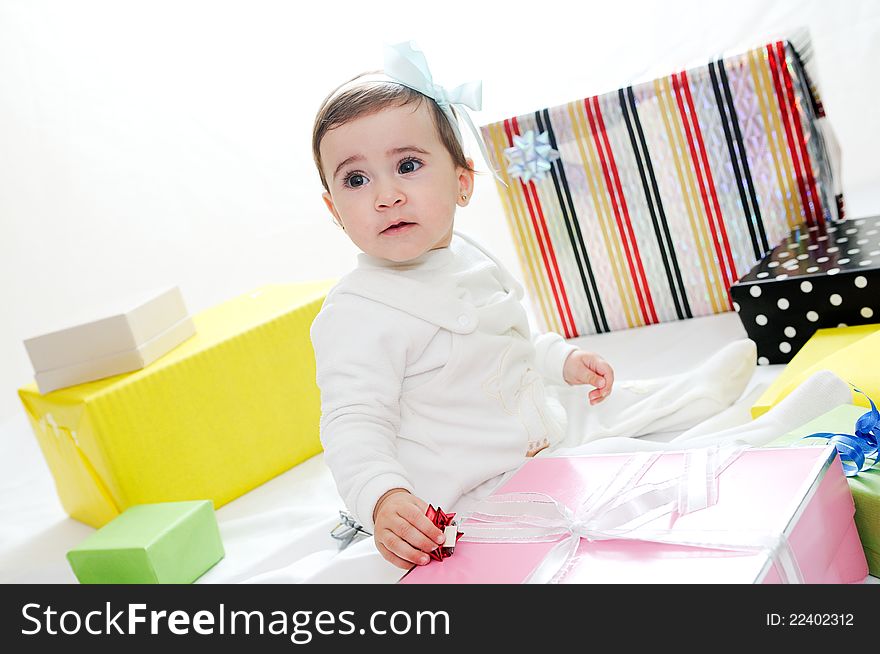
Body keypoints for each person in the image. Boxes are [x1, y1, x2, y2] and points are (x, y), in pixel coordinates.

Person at [308, 42, 824, 572]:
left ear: (463, 182)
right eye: (355, 179)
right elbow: (353, 424)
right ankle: (755, 441)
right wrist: (380, 496)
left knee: (612, 409)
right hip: (478, 487)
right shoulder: (356, 314)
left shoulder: (466, 256)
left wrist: (559, 360)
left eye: (408, 165)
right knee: (624, 468)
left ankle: (693, 394)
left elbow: (513, 333)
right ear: (333, 209)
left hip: (537, 424)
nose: (385, 195)